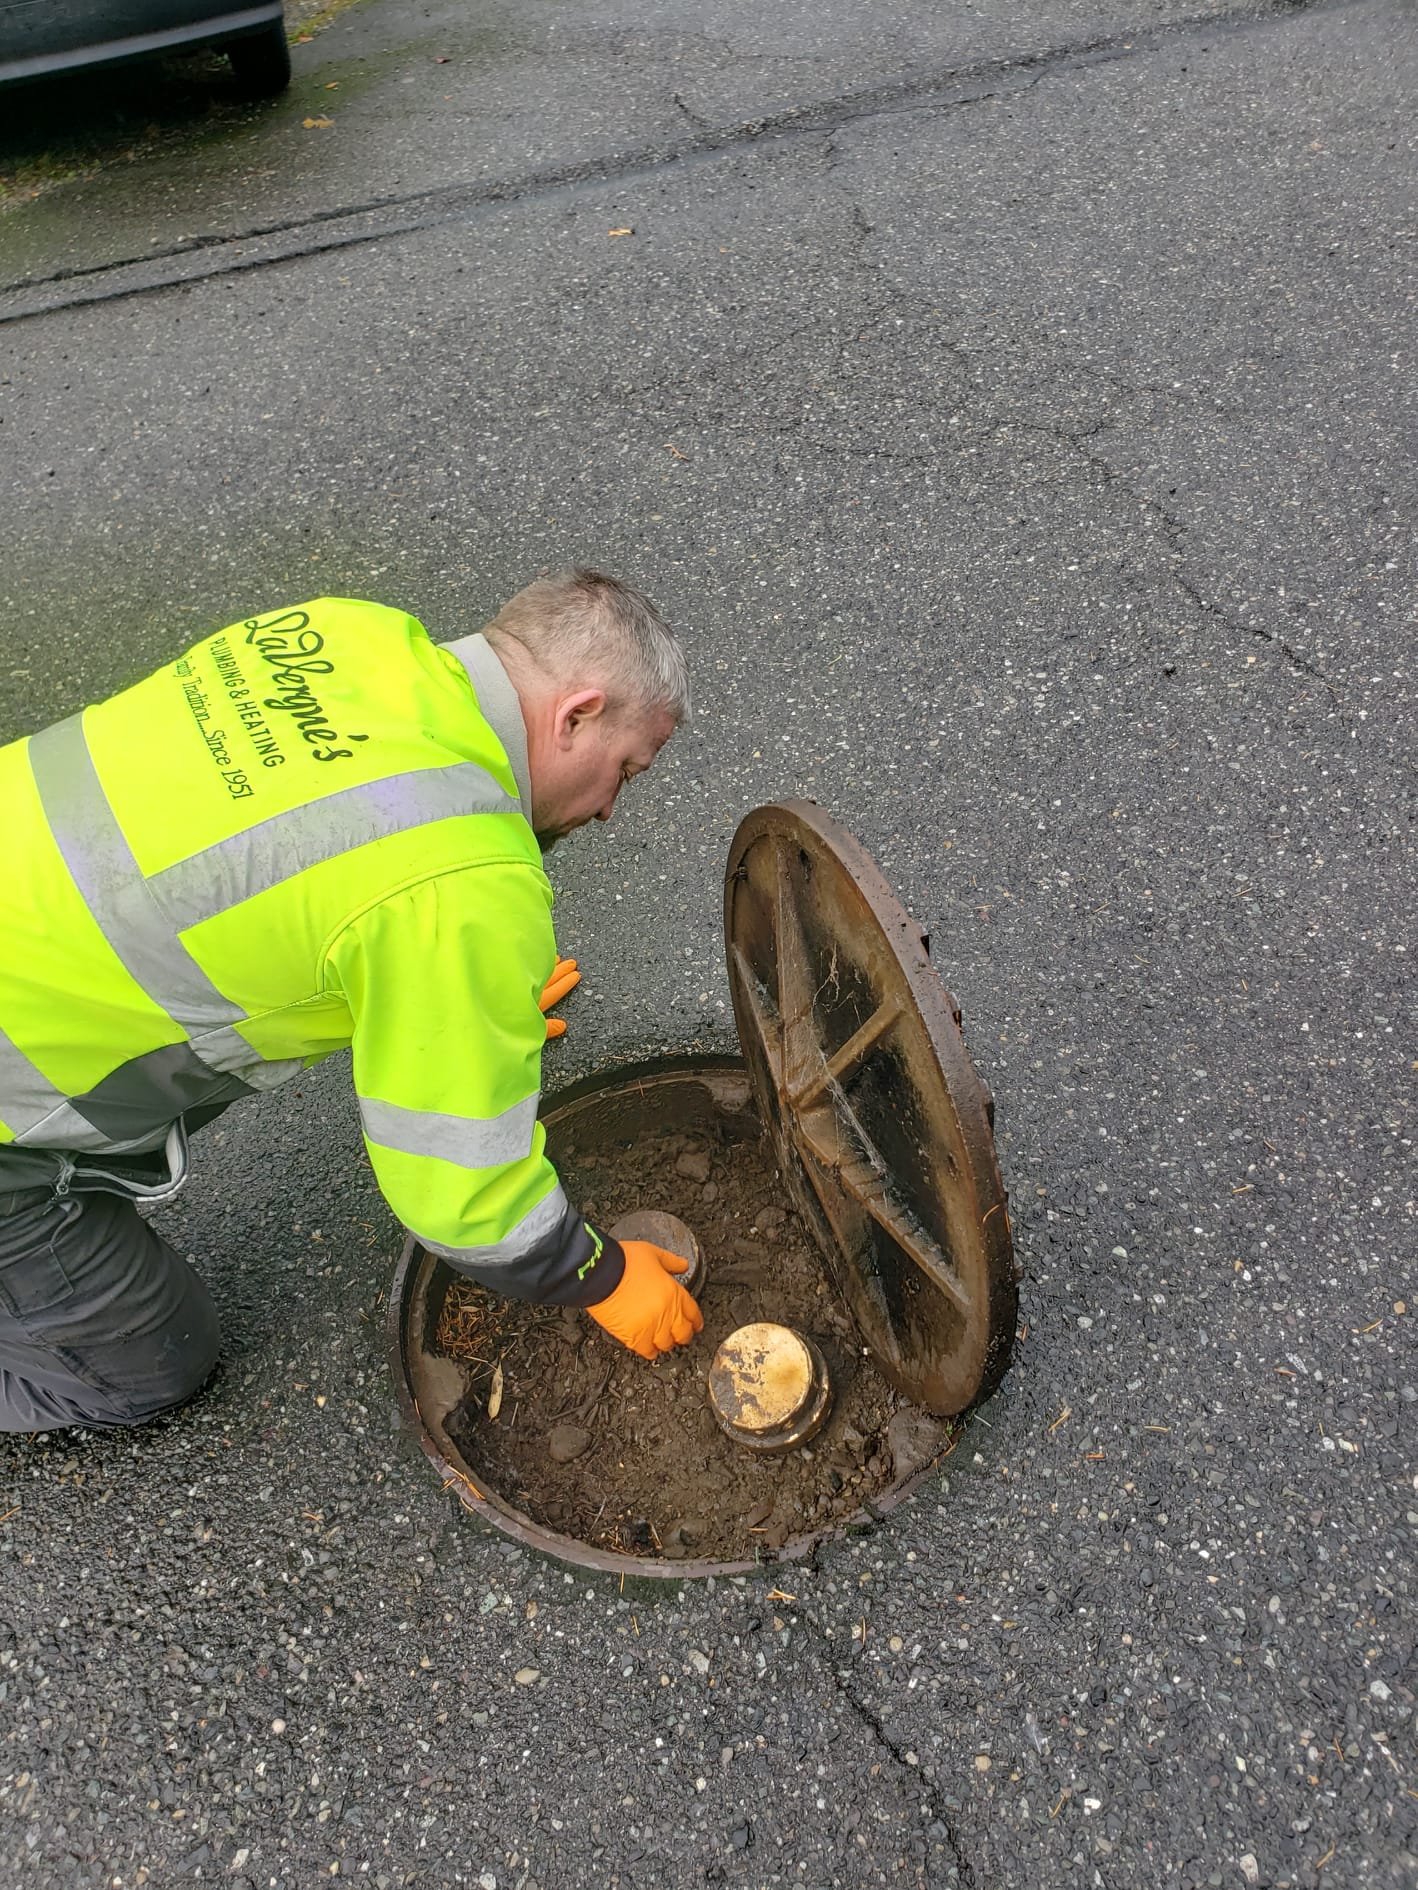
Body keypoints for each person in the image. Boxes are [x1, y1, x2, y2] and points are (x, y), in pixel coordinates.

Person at [0, 570, 704, 1433]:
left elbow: (302, 872)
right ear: (576, 714)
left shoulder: (344, 632)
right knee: (151, 1360)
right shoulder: (460, 887)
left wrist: (473, 1000)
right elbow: (464, 1193)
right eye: (625, 770)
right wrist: (595, 1274)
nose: (608, 811)